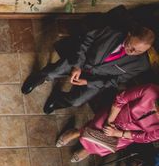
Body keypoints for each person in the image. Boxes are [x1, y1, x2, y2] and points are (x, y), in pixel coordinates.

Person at [21, 25, 154, 114]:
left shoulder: (142, 64)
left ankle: (57, 99)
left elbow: (115, 81)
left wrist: (88, 83)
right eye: (131, 46)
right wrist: (77, 65)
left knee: (76, 101)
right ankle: (37, 78)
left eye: (138, 51)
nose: (131, 52)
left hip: (97, 80)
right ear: (129, 35)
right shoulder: (111, 31)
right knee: (52, 72)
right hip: (82, 61)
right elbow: (85, 42)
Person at [55, 83, 159, 162]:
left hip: (128, 134)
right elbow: (121, 98)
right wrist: (110, 121)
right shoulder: (151, 90)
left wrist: (118, 133)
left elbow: (146, 137)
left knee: (104, 146)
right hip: (115, 115)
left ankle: (89, 150)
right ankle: (76, 133)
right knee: (95, 127)